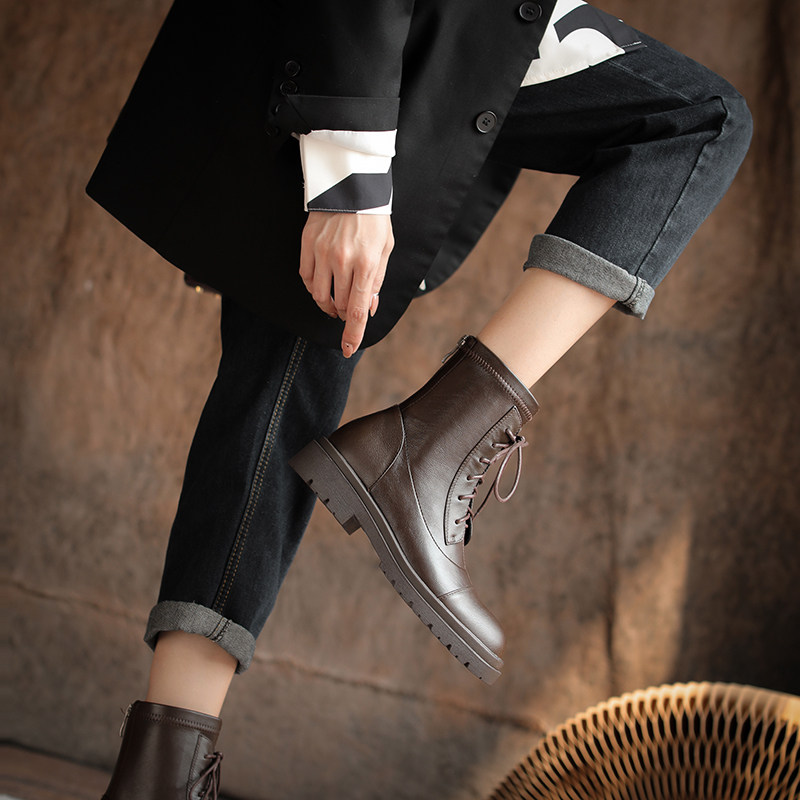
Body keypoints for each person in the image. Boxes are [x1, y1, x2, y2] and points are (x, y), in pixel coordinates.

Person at [86, 0, 752, 796]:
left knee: (289, 362)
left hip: (445, 36)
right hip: (364, 33)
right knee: (697, 120)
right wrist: (350, 178)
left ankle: (159, 778)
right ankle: (427, 451)